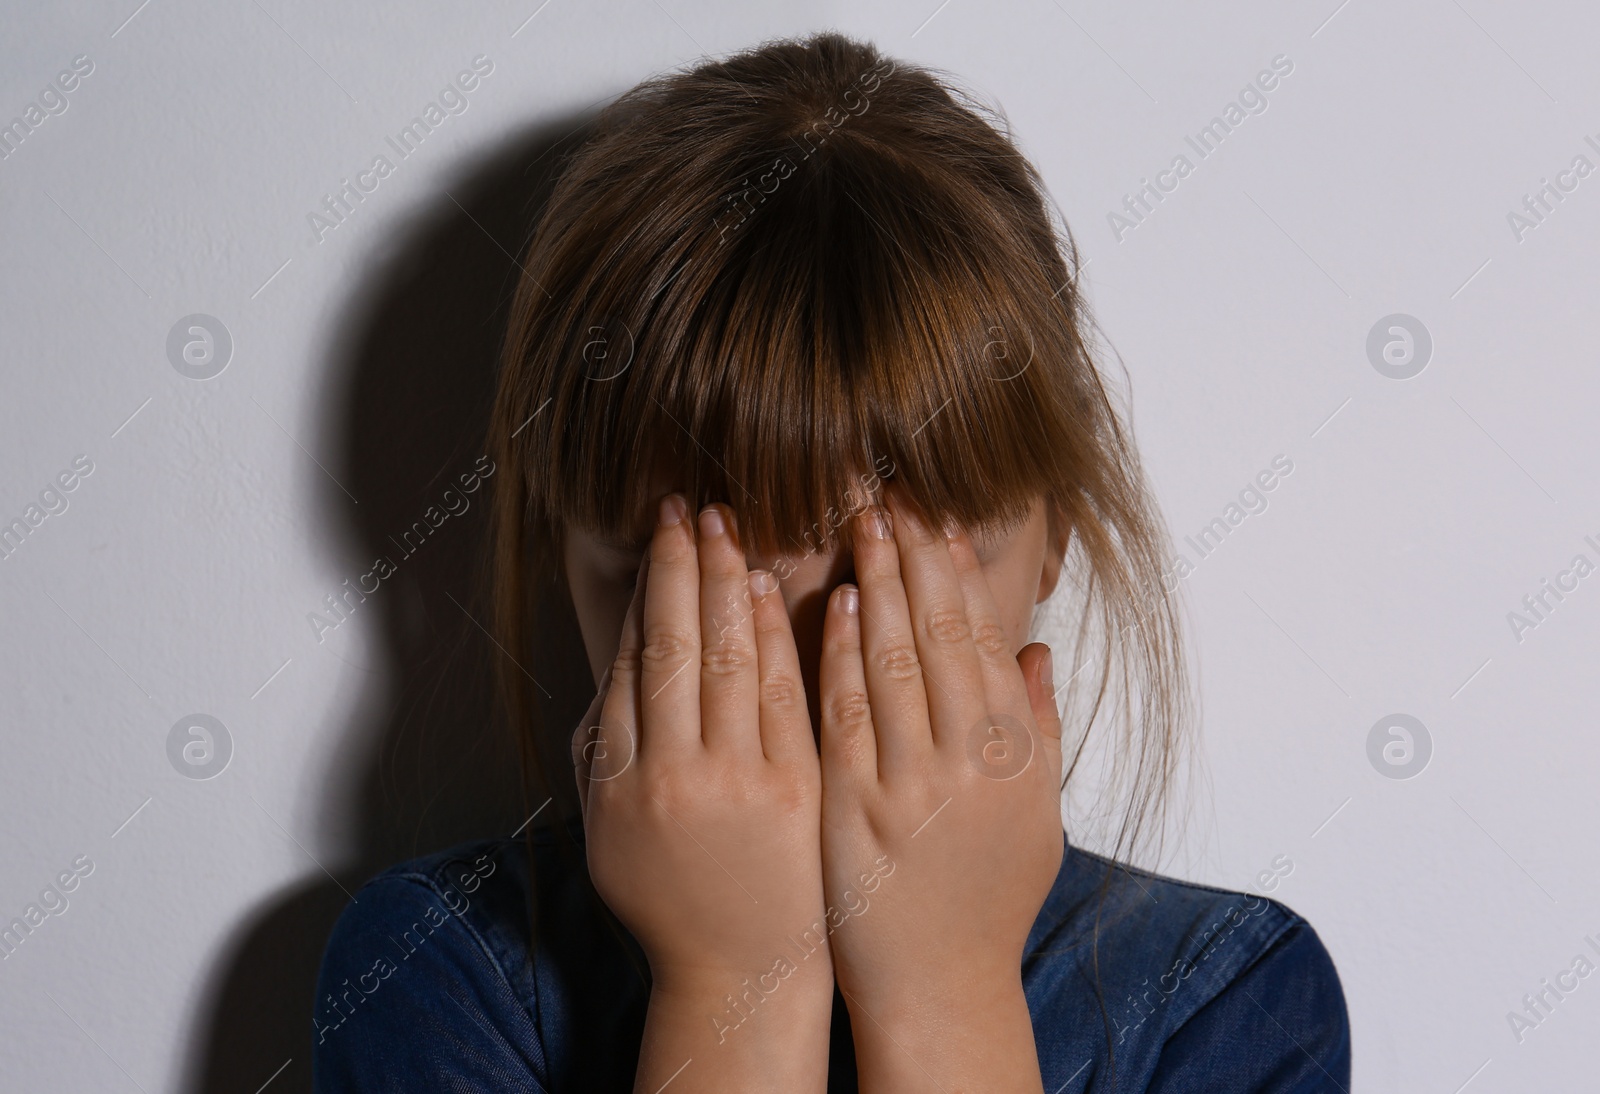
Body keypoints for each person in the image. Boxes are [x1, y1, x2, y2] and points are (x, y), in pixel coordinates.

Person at [312, 30, 1350, 1092]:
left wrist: (946, 989)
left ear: (1058, 538)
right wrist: (730, 982)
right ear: (558, 561)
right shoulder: (434, 970)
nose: (808, 690)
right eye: (700, 591)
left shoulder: (1227, 999)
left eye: (889, 587)